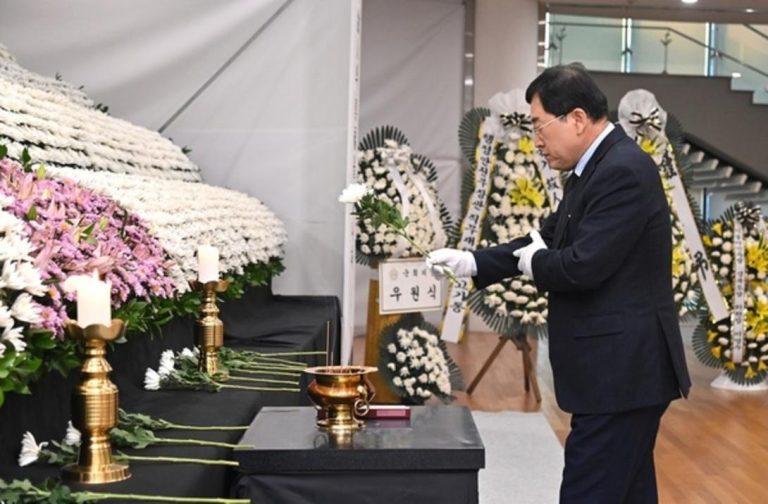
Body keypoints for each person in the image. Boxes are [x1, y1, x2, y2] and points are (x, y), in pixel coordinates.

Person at [427, 64, 691, 503]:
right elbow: (545, 238)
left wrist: (535, 264)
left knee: (589, 491)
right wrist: (472, 261)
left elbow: (582, 265)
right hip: (620, 375)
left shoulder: (622, 171)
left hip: (621, 375)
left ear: (577, 119)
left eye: (539, 126)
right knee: (628, 491)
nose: (536, 141)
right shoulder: (596, 167)